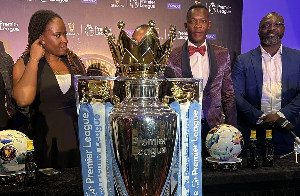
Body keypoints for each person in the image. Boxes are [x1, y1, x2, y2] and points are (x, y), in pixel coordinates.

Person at [12, 10, 86, 169]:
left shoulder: (74, 63)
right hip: (46, 149)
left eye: (65, 34)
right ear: (41, 38)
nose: (65, 40)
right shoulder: (24, 64)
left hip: (78, 147)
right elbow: (23, 100)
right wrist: (34, 59)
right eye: (58, 35)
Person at [167, 4, 237, 158]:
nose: (198, 26)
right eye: (193, 22)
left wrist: (233, 130)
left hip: (215, 129)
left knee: (214, 178)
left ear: (209, 25)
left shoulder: (223, 54)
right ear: (186, 26)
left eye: (202, 21)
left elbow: (228, 94)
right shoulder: (172, 55)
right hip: (182, 127)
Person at [232, 12, 300, 156]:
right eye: (266, 25)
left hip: (286, 133)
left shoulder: (297, 58)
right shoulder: (242, 61)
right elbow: (236, 95)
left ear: (283, 29)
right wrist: (260, 117)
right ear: (259, 31)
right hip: (252, 133)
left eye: (277, 24)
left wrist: (280, 116)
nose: (272, 28)